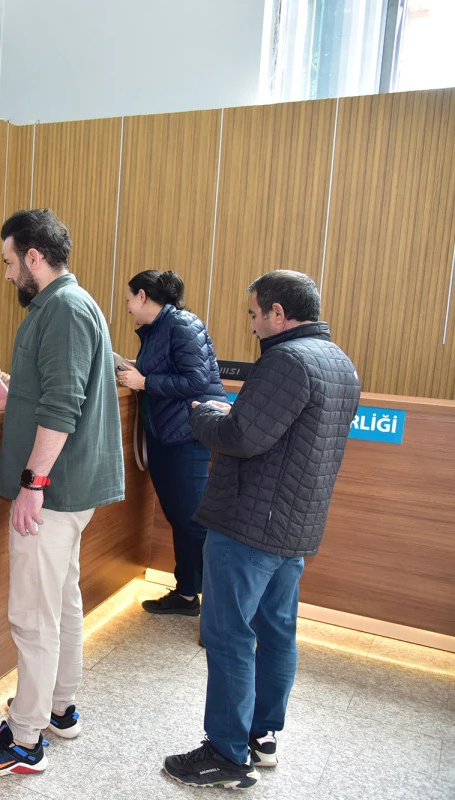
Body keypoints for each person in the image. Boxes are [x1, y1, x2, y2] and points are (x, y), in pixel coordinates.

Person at [163, 270, 359, 790]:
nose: (251, 326)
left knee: (228, 635)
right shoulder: (339, 362)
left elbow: (242, 436)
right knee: (277, 632)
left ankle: (226, 755)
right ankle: (262, 736)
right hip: (294, 526)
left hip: (250, 524)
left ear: (278, 313)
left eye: (254, 314)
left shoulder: (287, 360)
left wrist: (204, 414)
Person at [0, 209, 125, 778]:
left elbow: (63, 406)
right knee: (61, 602)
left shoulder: (64, 309)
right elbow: (50, 393)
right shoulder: (66, 305)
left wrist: (33, 484)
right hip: (67, 490)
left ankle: (25, 740)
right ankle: (59, 706)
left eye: (10, 262)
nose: (7, 275)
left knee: (33, 616)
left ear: (33, 256)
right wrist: (9, 397)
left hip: (53, 493)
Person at [116, 270, 226, 617]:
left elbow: (197, 380)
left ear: (143, 295)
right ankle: (188, 594)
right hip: (168, 435)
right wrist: (134, 371)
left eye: (130, 299)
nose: (128, 308)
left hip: (188, 435)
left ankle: (220, 611)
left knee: (193, 520)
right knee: (181, 517)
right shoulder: (157, 329)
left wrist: (145, 382)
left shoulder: (181, 324)